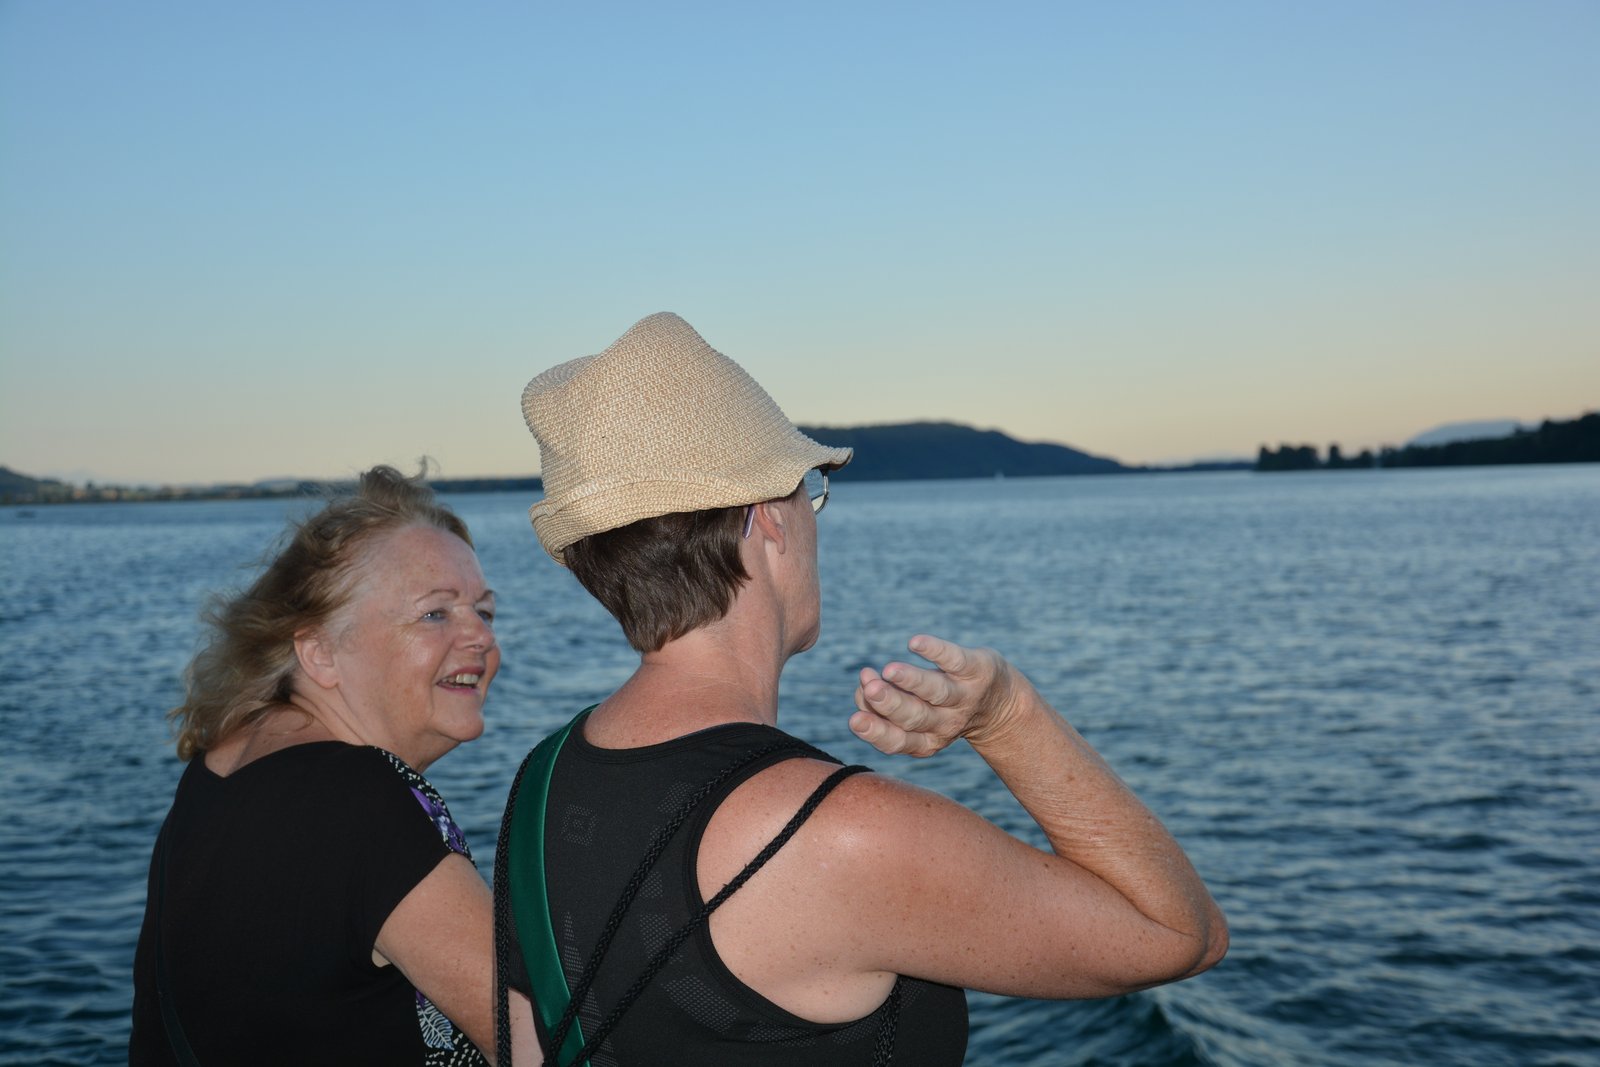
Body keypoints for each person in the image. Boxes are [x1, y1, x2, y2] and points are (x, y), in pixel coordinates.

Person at [496, 313, 1228, 1067]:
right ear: (764, 518)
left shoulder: (542, 785)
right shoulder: (836, 834)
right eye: (808, 491)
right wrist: (1008, 713)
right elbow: (1180, 933)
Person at [130, 465, 524, 1066]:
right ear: (319, 652)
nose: (481, 637)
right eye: (435, 614)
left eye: (485, 612)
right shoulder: (365, 799)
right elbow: (546, 1042)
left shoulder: (220, 770)